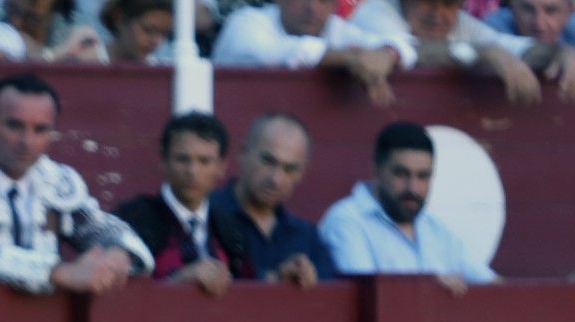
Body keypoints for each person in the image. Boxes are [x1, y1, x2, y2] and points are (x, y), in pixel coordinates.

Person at [0, 73, 151, 294]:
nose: (26, 142)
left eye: (40, 129)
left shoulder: (57, 182)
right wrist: (58, 273)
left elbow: (103, 229)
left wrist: (118, 254)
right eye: (14, 126)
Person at [318, 119, 495, 288]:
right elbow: (370, 296)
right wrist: (434, 290)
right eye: (401, 174)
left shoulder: (436, 231)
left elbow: (496, 288)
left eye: (423, 176)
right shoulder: (346, 222)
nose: (413, 188)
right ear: (376, 172)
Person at [115, 112, 253, 297]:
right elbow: (119, 297)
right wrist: (177, 283)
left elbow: (251, 287)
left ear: (221, 167)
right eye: (182, 159)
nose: (192, 171)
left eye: (204, 161)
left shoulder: (232, 228)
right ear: (164, 161)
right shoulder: (132, 220)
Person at [349, 0, 574, 102]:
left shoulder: (462, 24)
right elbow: (412, 51)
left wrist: (560, 52)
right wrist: (485, 54)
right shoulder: (375, 12)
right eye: (427, 2)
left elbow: (513, 47)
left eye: (448, 4)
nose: (437, 15)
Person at [207, 112, 337, 287]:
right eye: (268, 161)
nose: (275, 179)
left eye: (290, 169)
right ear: (243, 153)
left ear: (301, 174)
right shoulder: (203, 217)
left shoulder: (307, 237)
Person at [212, 0, 409, 107]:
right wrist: (350, 59)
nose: (312, 8)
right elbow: (275, 52)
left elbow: (404, 45)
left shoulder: (335, 28)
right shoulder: (246, 21)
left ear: (334, 6)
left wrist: (387, 55)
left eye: (323, 1)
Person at [487, 0, 575, 47]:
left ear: (570, 10)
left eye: (551, 10)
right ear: (511, 6)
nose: (539, 25)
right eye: (528, 9)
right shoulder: (493, 28)